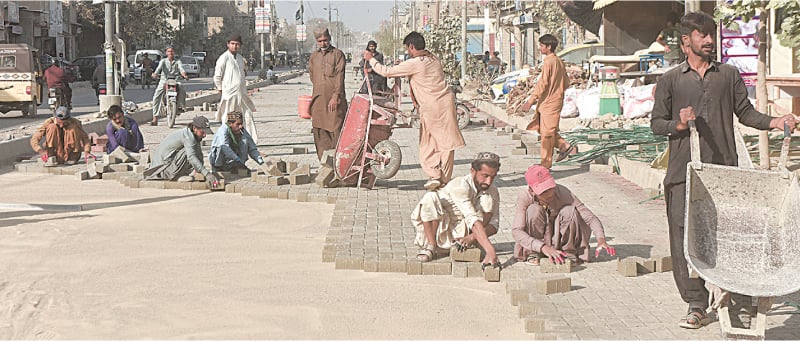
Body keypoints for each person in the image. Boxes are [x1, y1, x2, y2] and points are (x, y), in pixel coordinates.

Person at [650, 11, 797, 330]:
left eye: (711, 34)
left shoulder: (728, 75)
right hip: (682, 173)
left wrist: (775, 122)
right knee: (681, 237)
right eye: (702, 35)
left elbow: (745, 114)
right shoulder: (671, 80)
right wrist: (678, 122)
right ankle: (696, 303)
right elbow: (655, 124)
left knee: (730, 237)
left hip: (724, 176)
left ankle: (740, 299)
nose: (709, 41)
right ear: (686, 41)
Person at [364, 31, 466, 190]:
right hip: (446, 103)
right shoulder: (433, 58)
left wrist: (371, 59)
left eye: (407, 49)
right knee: (445, 142)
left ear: (412, 47)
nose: (407, 52)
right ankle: (441, 177)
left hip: (432, 106)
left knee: (429, 142)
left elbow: (386, 72)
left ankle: (436, 175)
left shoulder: (416, 63)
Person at [512, 165, 616, 266]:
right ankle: (534, 253)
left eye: (550, 189)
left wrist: (601, 239)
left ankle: (568, 252)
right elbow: (517, 231)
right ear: (532, 191)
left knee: (569, 211)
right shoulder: (524, 197)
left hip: (559, 239)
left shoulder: (563, 192)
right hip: (536, 243)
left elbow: (590, 218)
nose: (549, 194)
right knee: (533, 210)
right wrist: (542, 247)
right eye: (544, 192)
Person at [410, 152, 501, 266]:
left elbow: (494, 225)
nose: (489, 182)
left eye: (492, 177)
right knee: (430, 197)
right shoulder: (460, 185)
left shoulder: (492, 191)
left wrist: (471, 237)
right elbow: (471, 217)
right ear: (473, 171)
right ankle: (430, 246)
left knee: (487, 201)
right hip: (440, 230)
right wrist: (491, 251)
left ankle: (477, 242)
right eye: (485, 176)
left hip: (462, 235)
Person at [520, 34, 576, 169]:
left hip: (550, 102)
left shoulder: (549, 62)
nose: (539, 48)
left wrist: (530, 100)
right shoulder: (559, 62)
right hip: (553, 101)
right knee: (545, 130)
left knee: (547, 134)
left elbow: (543, 83)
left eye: (541, 46)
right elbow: (566, 82)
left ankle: (545, 163)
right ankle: (564, 146)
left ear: (548, 47)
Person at [143, 116, 220, 189]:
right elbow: (191, 157)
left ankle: (182, 173)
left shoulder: (191, 135)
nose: (204, 135)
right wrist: (206, 174)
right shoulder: (187, 137)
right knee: (188, 153)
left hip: (169, 165)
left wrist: (202, 173)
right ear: (195, 128)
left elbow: (199, 155)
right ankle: (176, 176)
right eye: (202, 132)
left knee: (194, 151)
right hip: (162, 170)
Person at [308, 27, 347, 161]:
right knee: (319, 131)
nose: (323, 43)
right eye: (320, 41)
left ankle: (339, 163)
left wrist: (335, 96)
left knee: (336, 129)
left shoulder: (338, 54)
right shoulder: (314, 56)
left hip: (334, 100)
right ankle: (324, 163)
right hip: (318, 100)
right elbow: (312, 77)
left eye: (325, 40)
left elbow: (340, 77)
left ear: (329, 38)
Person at [213, 34, 259, 144]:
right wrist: (220, 89)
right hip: (229, 95)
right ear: (228, 44)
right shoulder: (223, 58)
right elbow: (217, 76)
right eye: (232, 44)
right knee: (227, 119)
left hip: (241, 95)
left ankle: (251, 143)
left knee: (247, 117)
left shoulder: (240, 58)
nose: (235, 46)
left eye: (237, 44)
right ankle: (224, 142)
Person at [151, 46, 188, 126]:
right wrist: (155, 74)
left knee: (181, 87)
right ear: (166, 53)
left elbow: (182, 69)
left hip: (175, 80)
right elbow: (158, 69)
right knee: (156, 96)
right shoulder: (163, 61)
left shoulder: (177, 61)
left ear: (174, 53)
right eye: (168, 51)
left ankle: (181, 106)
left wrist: (184, 75)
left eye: (172, 51)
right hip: (164, 80)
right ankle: (155, 118)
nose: (170, 53)